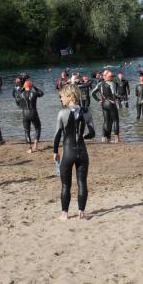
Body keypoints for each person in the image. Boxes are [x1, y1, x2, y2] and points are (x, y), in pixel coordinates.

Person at [53, 84, 96, 220]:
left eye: (62, 96)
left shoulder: (62, 113)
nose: (61, 99)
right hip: (82, 152)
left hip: (68, 152)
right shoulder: (86, 112)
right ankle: (81, 213)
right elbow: (92, 133)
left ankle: (64, 214)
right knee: (82, 182)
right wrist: (83, 137)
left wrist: (55, 152)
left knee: (66, 184)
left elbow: (57, 135)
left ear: (70, 97)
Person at [17, 79, 44, 153]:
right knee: (38, 128)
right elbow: (41, 93)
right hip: (33, 113)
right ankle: (35, 145)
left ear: (24, 86)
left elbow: (17, 98)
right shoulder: (34, 93)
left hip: (25, 114)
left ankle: (29, 148)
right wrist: (35, 87)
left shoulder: (21, 94)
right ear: (31, 86)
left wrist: (22, 89)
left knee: (27, 131)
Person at [93, 69, 120, 143]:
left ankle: (105, 138)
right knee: (115, 120)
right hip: (110, 103)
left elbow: (93, 93)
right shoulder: (111, 83)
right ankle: (117, 139)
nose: (112, 77)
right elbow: (113, 93)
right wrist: (113, 99)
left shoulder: (99, 84)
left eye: (112, 76)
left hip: (104, 103)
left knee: (106, 121)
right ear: (106, 76)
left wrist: (99, 100)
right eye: (111, 76)